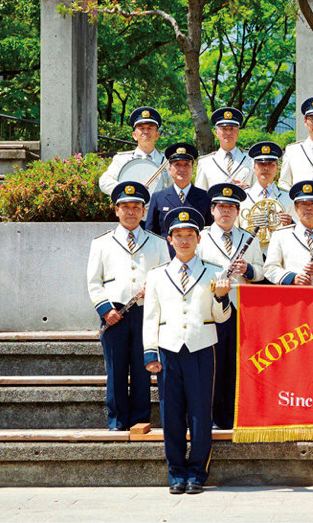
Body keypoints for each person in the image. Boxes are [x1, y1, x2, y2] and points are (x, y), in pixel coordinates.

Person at [143, 207, 231, 494]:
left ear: (198, 238)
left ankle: (197, 472)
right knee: (171, 414)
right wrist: (150, 352)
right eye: (178, 236)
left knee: (200, 413)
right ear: (169, 239)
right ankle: (176, 472)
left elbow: (222, 318)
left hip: (201, 349)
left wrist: (222, 296)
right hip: (168, 349)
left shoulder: (213, 272)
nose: (184, 241)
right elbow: (151, 317)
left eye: (189, 235)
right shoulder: (157, 275)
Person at [87, 181, 169, 431]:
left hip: (146, 313)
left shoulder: (158, 243)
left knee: (143, 370)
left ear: (144, 211)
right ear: (116, 210)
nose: (131, 212)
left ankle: (141, 419)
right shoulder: (101, 243)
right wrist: (105, 310)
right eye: (125, 207)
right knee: (116, 371)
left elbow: (167, 276)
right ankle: (117, 420)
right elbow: (94, 282)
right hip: (115, 314)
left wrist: (153, 288)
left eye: (136, 207)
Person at [195, 183, 264, 430]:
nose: (226, 212)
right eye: (221, 207)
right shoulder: (200, 236)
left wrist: (249, 269)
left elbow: (261, 271)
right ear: (212, 210)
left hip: (242, 308)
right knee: (214, 364)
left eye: (231, 208)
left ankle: (236, 414)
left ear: (237, 212)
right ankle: (214, 417)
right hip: (212, 307)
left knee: (238, 363)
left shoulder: (249, 238)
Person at [145, 143, 212, 253]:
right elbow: (151, 233)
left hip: (197, 258)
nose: (182, 169)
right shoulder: (158, 197)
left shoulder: (205, 197)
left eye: (186, 164)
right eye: (177, 164)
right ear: (170, 169)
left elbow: (210, 232)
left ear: (192, 169)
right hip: (166, 257)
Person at [98, 107, 168, 196]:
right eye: (141, 128)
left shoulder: (166, 161)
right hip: (132, 208)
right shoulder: (122, 160)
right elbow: (104, 181)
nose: (146, 132)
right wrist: (128, 190)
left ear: (157, 135)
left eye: (150, 128)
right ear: (134, 135)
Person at [240, 141, 295, 231]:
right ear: (254, 167)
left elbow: (298, 229)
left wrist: (291, 223)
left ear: (277, 168)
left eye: (271, 164)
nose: (266, 168)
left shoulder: (288, 198)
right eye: (261, 164)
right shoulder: (243, 197)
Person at [194, 107, 252, 190]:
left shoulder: (250, 160)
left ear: (238, 132)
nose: (228, 133)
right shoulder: (205, 162)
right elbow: (199, 195)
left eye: (232, 129)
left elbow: (258, 192)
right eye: (224, 129)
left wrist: (248, 188)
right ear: (216, 133)